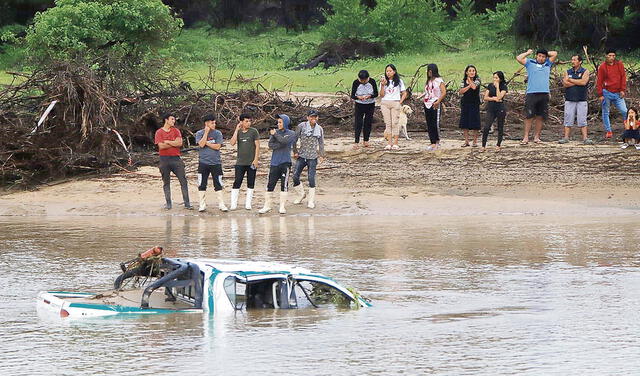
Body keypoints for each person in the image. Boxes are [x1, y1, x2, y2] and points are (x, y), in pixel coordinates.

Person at [516, 48, 558, 144]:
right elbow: (519, 58)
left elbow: (555, 53)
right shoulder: (530, 63)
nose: (541, 58)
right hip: (532, 93)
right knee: (529, 116)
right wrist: (527, 53)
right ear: (536, 56)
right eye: (539, 56)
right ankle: (526, 137)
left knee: (540, 116)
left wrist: (545, 53)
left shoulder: (548, 63)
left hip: (544, 93)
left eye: (543, 56)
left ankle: (536, 137)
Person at [259, 114, 296, 214]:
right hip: (274, 162)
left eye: (280, 122)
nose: (278, 124)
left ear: (285, 122)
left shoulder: (291, 133)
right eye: (278, 122)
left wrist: (276, 136)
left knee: (284, 185)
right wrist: (279, 141)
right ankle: (267, 206)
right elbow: (270, 145)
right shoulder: (276, 132)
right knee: (270, 184)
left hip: (285, 162)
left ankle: (282, 206)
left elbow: (285, 141)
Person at [154, 113, 192, 210]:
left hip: (176, 159)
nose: (173, 121)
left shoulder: (176, 131)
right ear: (166, 120)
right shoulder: (159, 132)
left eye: (174, 119)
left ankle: (187, 203)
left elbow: (179, 143)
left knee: (183, 181)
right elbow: (161, 146)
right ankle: (168, 203)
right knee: (166, 182)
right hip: (164, 159)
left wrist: (167, 142)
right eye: (172, 119)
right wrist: (173, 143)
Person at [195, 113, 228, 212]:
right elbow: (201, 144)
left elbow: (217, 146)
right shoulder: (199, 133)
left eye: (215, 123)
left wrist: (207, 143)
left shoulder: (218, 133)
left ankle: (221, 204)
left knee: (218, 183)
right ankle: (202, 204)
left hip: (216, 163)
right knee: (202, 184)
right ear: (207, 123)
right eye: (212, 123)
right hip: (203, 162)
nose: (214, 125)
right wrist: (206, 133)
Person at [292, 110, 325, 209]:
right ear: (307, 117)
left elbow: (321, 143)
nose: (313, 119)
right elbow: (294, 139)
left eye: (315, 117)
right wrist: (295, 151)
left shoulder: (319, 129)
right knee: (295, 176)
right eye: (311, 117)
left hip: (313, 157)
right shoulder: (301, 126)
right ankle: (301, 194)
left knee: (311, 178)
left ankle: (311, 201)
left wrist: (322, 155)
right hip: (301, 155)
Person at [559, 55, 593, 145]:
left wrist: (570, 80)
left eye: (574, 60)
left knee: (582, 119)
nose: (572, 61)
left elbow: (583, 82)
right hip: (569, 99)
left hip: (582, 99)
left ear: (580, 61)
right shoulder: (568, 71)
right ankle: (566, 137)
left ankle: (585, 138)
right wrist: (577, 81)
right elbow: (565, 84)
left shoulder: (585, 71)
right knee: (568, 117)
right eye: (572, 60)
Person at [229, 113, 260, 210]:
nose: (248, 123)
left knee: (251, 182)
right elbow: (232, 143)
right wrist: (236, 130)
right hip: (240, 162)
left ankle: (248, 204)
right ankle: (234, 204)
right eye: (246, 121)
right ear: (241, 122)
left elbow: (258, 146)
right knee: (237, 181)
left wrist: (256, 159)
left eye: (249, 121)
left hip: (251, 162)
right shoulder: (238, 132)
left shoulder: (254, 131)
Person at [597, 48, 628, 139]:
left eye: (613, 56)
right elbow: (599, 81)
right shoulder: (602, 67)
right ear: (606, 56)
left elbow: (623, 77)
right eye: (610, 56)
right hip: (606, 92)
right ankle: (608, 130)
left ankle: (628, 128)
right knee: (606, 112)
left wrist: (623, 89)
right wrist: (600, 94)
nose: (612, 57)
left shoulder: (619, 64)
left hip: (618, 92)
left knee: (624, 111)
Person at [379, 64, 407, 150]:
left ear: (394, 72)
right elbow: (381, 95)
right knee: (388, 123)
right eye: (387, 71)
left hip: (395, 102)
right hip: (385, 103)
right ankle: (389, 142)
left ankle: (395, 142)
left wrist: (400, 102)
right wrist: (383, 85)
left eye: (390, 71)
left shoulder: (399, 81)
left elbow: (404, 93)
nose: (388, 73)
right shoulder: (383, 81)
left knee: (395, 123)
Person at [421, 64, 446, 151]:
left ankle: (437, 141)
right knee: (429, 123)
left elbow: (443, 92)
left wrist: (438, 101)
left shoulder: (439, 81)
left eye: (431, 71)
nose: (429, 72)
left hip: (435, 103)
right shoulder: (428, 81)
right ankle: (432, 141)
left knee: (435, 122)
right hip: (427, 103)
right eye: (428, 71)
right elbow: (427, 91)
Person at [351, 70, 378, 149]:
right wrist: (358, 97)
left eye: (365, 80)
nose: (363, 82)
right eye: (361, 80)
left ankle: (366, 140)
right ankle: (356, 141)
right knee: (358, 122)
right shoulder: (356, 82)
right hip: (359, 104)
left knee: (368, 122)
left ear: (368, 78)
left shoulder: (372, 81)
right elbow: (352, 95)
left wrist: (369, 96)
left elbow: (376, 93)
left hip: (370, 104)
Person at [481, 71, 508, 151]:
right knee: (486, 127)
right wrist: (493, 98)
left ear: (500, 79)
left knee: (500, 127)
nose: (495, 80)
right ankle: (483, 145)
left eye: (496, 78)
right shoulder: (490, 85)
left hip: (500, 108)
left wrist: (497, 87)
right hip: (491, 108)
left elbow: (499, 97)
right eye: (494, 78)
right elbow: (485, 97)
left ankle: (498, 144)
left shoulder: (503, 86)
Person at [459, 65, 481, 147]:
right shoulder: (463, 81)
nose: (472, 72)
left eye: (473, 71)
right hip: (465, 103)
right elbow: (461, 91)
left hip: (474, 103)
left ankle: (475, 141)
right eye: (470, 71)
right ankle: (466, 141)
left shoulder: (478, 80)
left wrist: (470, 82)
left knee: (475, 122)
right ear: (466, 72)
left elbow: (474, 87)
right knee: (465, 122)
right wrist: (468, 85)